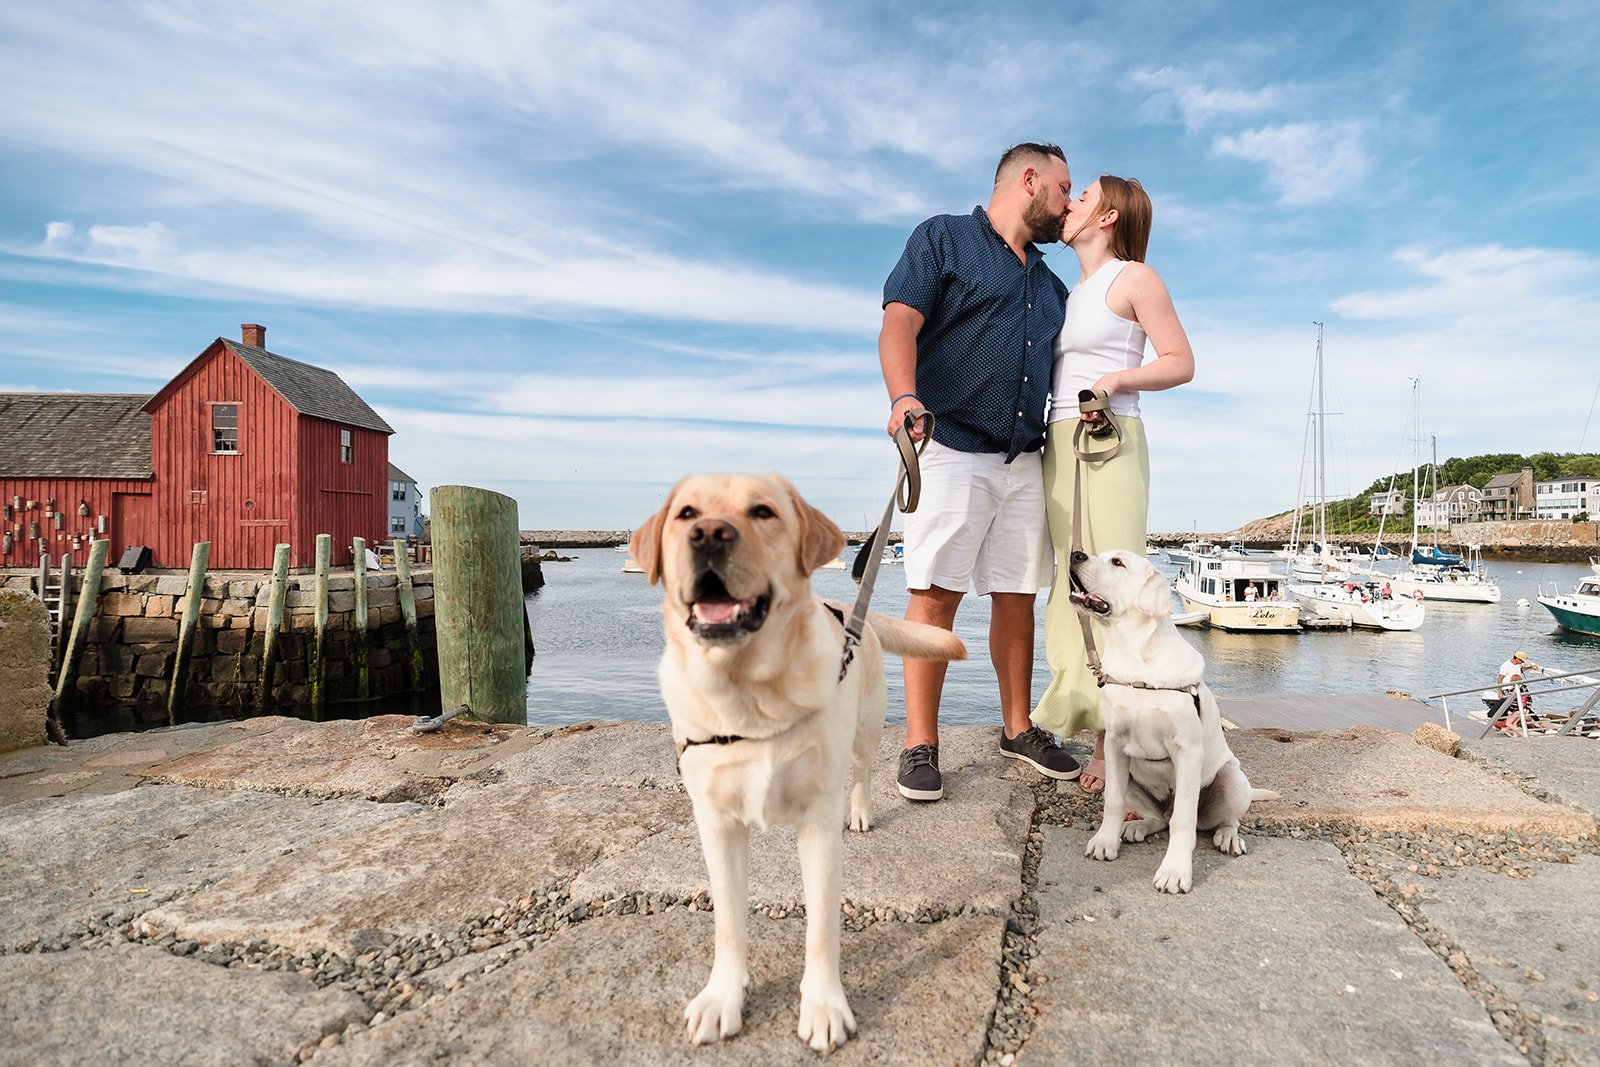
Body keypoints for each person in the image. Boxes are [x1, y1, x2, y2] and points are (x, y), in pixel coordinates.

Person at [879, 142, 1080, 802]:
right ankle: (918, 743)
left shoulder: (1053, 286)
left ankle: (1017, 727)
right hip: (949, 445)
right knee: (935, 590)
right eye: (1063, 187)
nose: (1069, 201)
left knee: (1018, 593)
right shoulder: (944, 239)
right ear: (1029, 179)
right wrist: (903, 397)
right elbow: (900, 323)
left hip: (1024, 458)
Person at [1031, 175, 1196, 794]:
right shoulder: (1068, 291)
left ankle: (1111, 747)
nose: (1068, 204)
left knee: (1113, 580)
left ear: (1107, 217)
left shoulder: (1135, 278)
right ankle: (1084, 719)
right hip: (1059, 441)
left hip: (1109, 442)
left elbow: (1180, 360)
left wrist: (1116, 383)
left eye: (1081, 197)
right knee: (1066, 581)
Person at [1495, 650, 1543, 733]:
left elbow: (1520, 670)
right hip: (1508, 688)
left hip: (1518, 686)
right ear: (1516, 658)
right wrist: (1499, 691)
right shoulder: (1506, 665)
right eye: (1521, 660)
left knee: (1526, 702)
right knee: (1515, 705)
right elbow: (1500, 678)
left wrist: (1530, 667)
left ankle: (1523, 721)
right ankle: (1508, 722)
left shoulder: (1518, 665)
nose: (1522, 662)